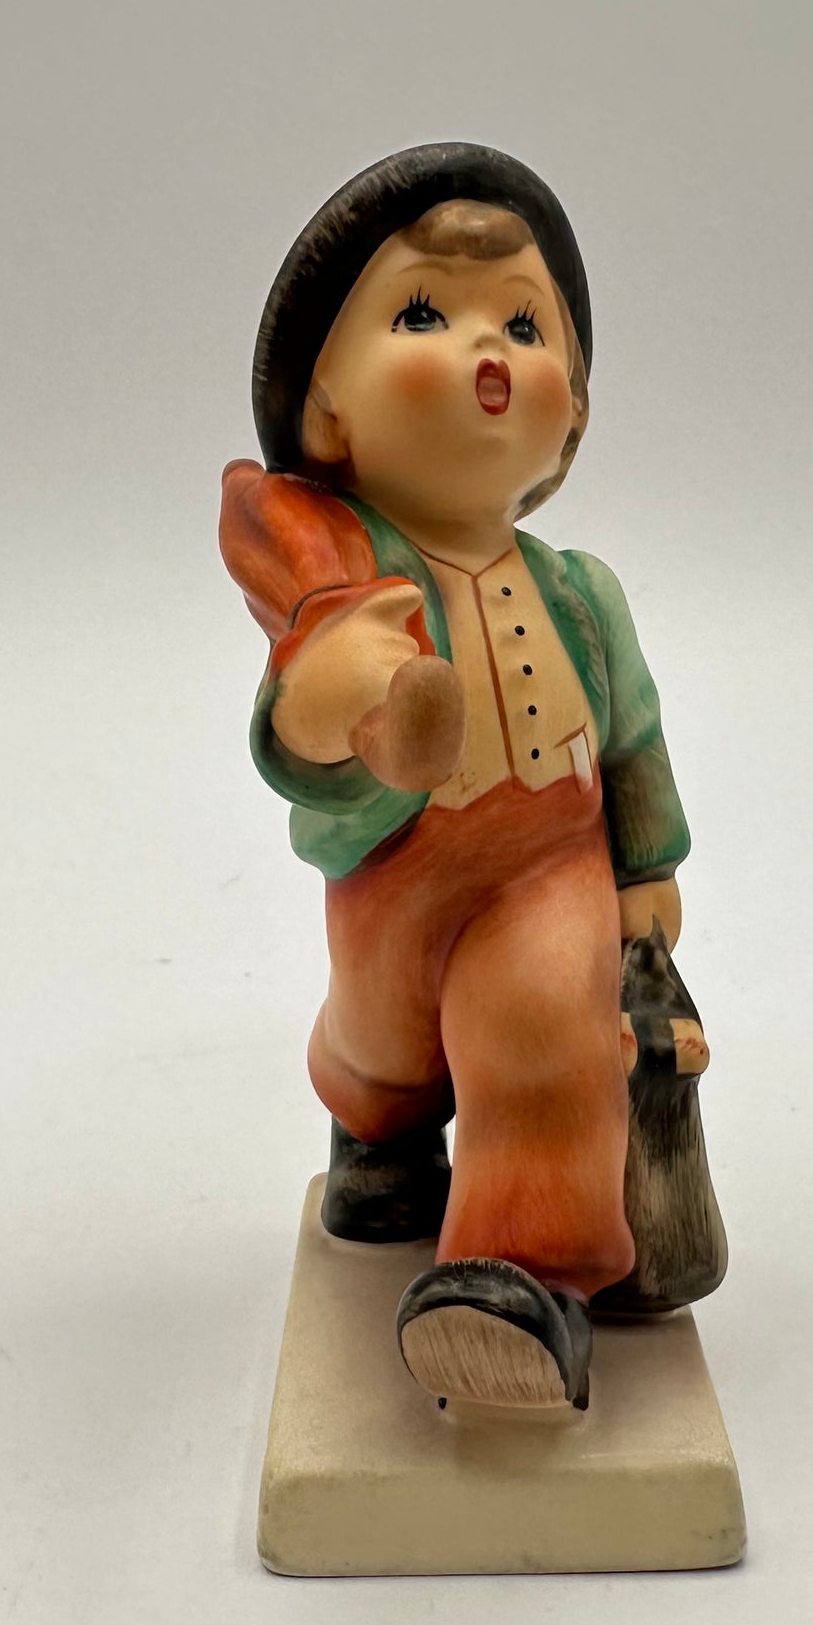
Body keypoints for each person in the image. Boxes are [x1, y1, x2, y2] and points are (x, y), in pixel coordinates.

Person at [219, 143, 692, 1410]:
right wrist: (340, 700)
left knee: (540, 1030)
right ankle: (380, 1139)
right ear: (327, 410)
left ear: (570, 412)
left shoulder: (582, 595)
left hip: (546, 863)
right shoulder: (343, 583)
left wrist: (644, 864)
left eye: (524, 326)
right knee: (379, 1043)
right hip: (397, 876)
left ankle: (514, 1276)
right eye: (424, 312)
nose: (487, 349)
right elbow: (304, 739)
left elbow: (631, 738)